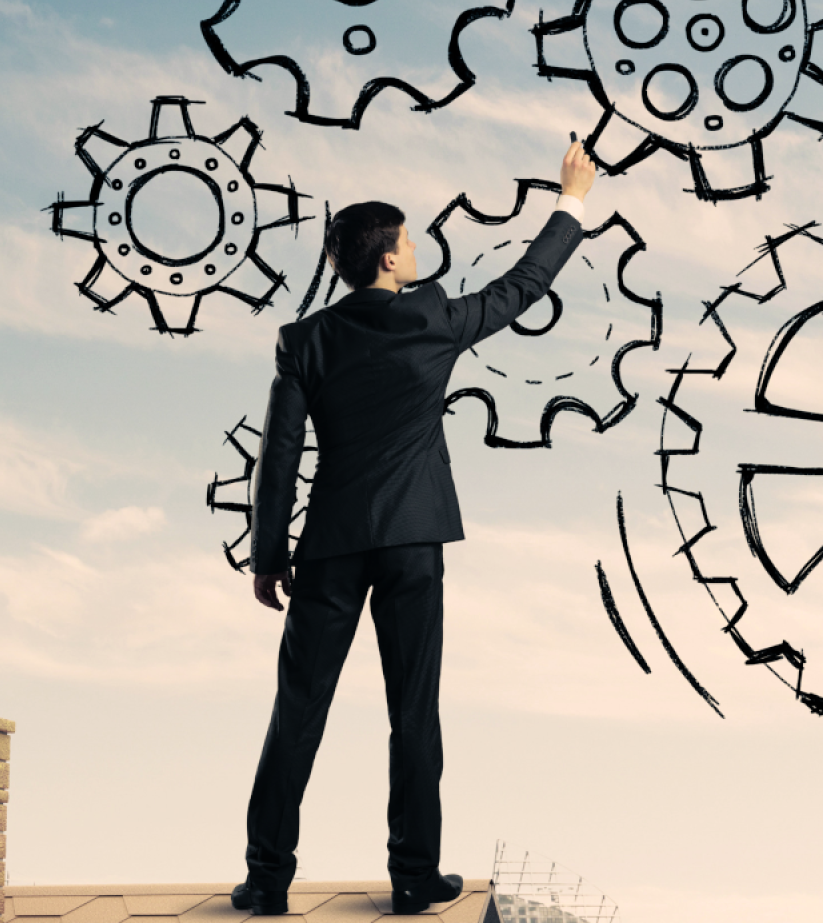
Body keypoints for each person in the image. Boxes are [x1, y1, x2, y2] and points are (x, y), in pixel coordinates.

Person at [230, 141, 599, 916]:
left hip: (328, 545)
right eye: (409, 241)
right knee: (413, 711)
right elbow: (523, 287)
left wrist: (267, 555)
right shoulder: (431, 317)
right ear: (391, 261)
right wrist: (570, 200)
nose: (418, 249)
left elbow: (281, 453)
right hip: (412, 540)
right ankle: (411, 879)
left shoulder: (306, 341)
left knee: (297, 709)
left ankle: (267, 881)